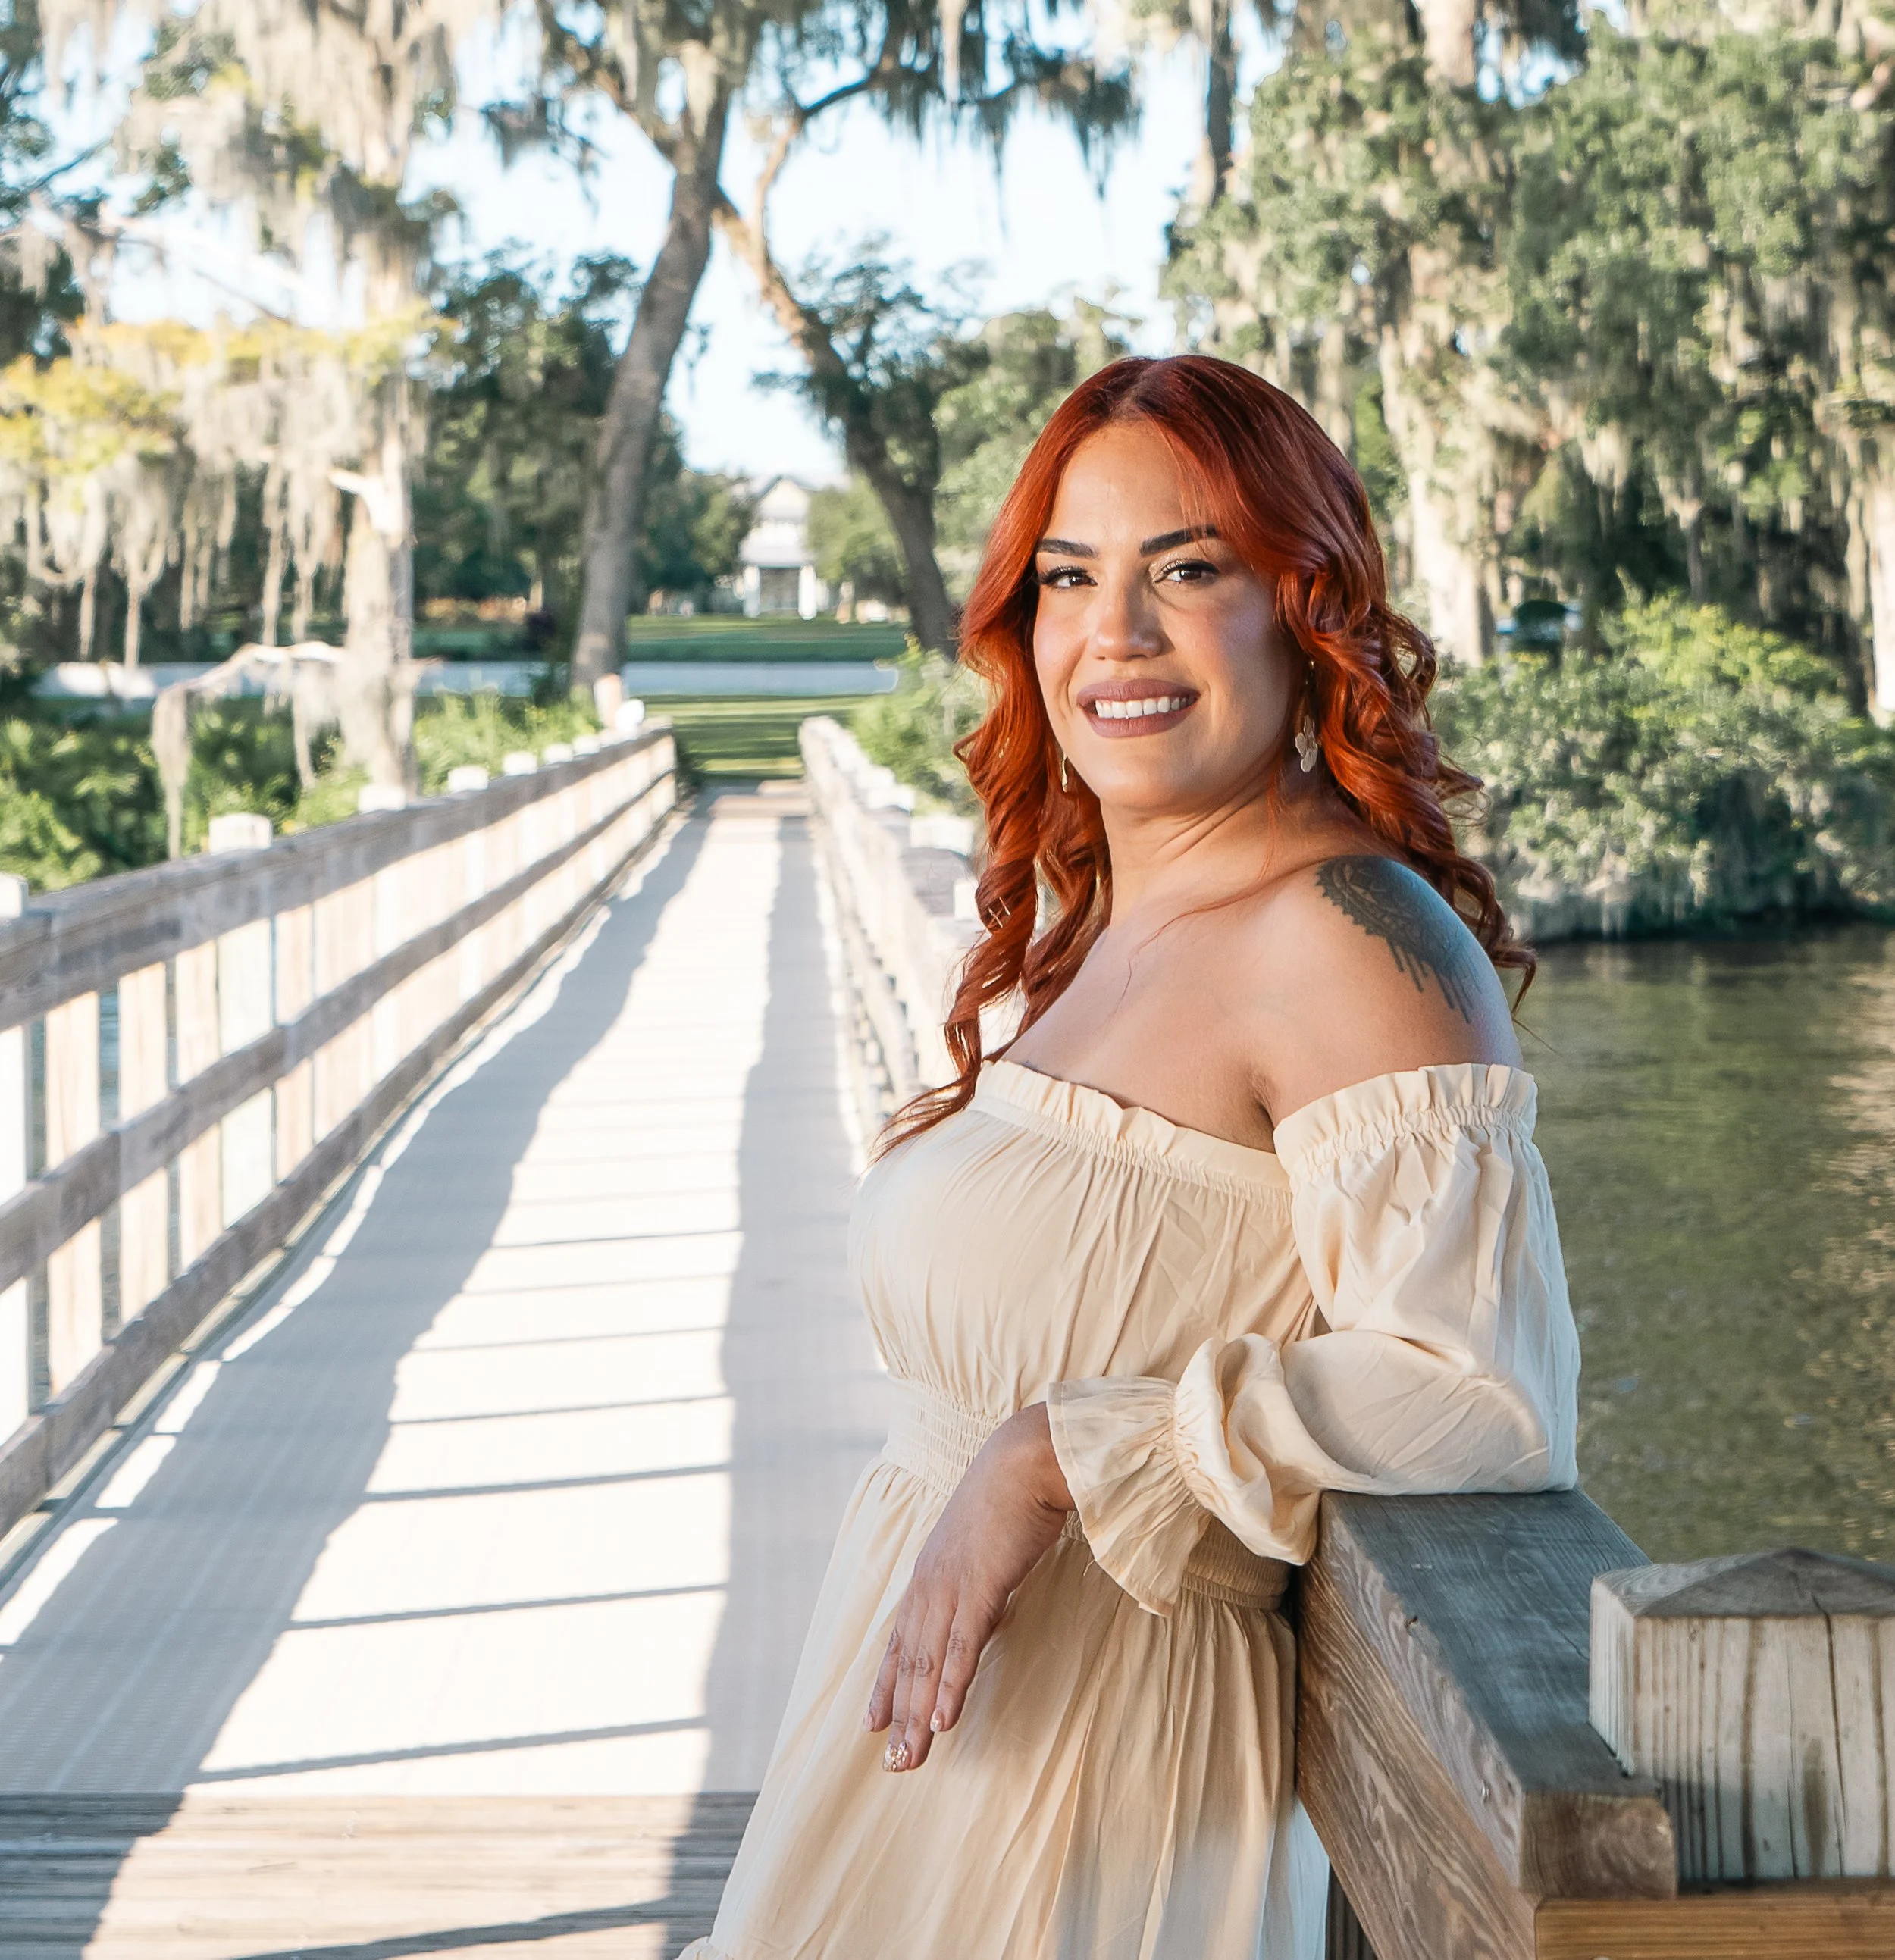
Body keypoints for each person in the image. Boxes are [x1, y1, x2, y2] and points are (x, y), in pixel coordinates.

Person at [682, 355, 1580, 1960]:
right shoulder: (1102, 917)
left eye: (1187, 570)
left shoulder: (1349, 941)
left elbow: (1483, 1392)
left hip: (1100, 1781)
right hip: (923, 1741)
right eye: (1070, 578)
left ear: (1302, 608)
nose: (1118, 634)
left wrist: (1054, 1452)